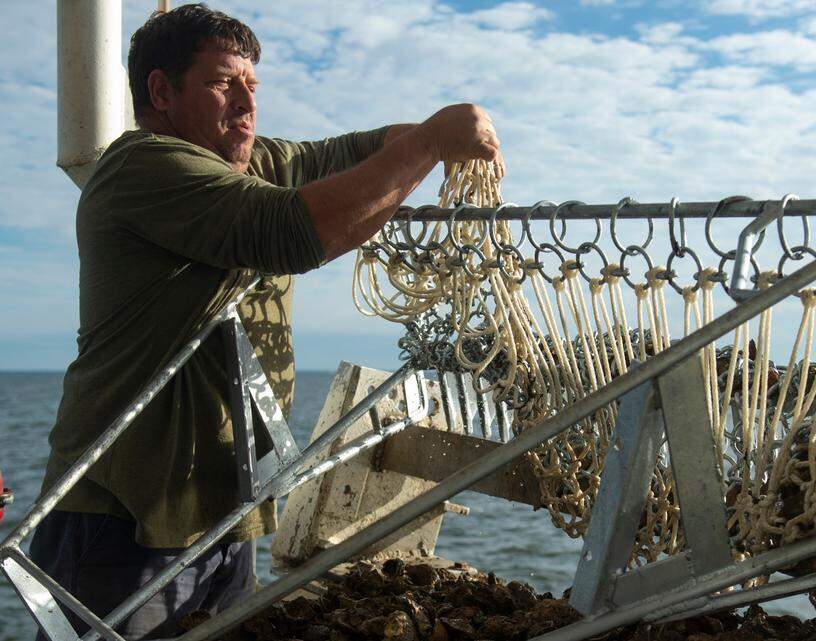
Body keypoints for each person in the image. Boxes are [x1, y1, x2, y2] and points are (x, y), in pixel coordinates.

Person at [29, 4, 501, 639]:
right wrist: (433, 140)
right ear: (161, 91)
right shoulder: (141, 169)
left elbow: (368, 151)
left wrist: (444, 138)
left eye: (254, 85)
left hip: (224, 514)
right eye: (223, 84)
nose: (246, 103)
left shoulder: (260, 163)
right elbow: (292, 232)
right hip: (123, 521)